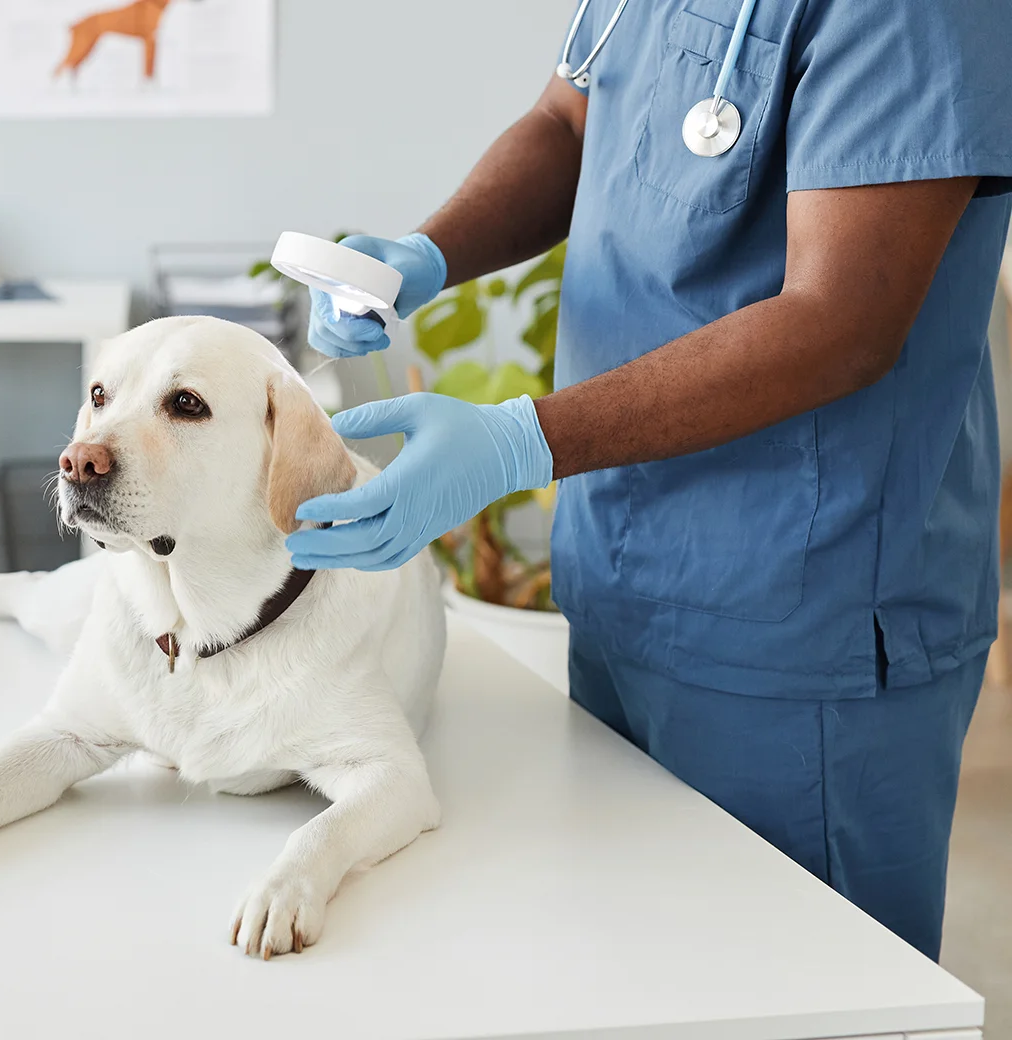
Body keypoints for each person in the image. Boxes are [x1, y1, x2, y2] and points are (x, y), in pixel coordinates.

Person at [289, 0, 1012, 961]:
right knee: (645, 963)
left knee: (801, 990)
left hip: (802, 616)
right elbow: (570, 120)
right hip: (626, 574)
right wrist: (429, 254)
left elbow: (842, 321)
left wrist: (518, 442)